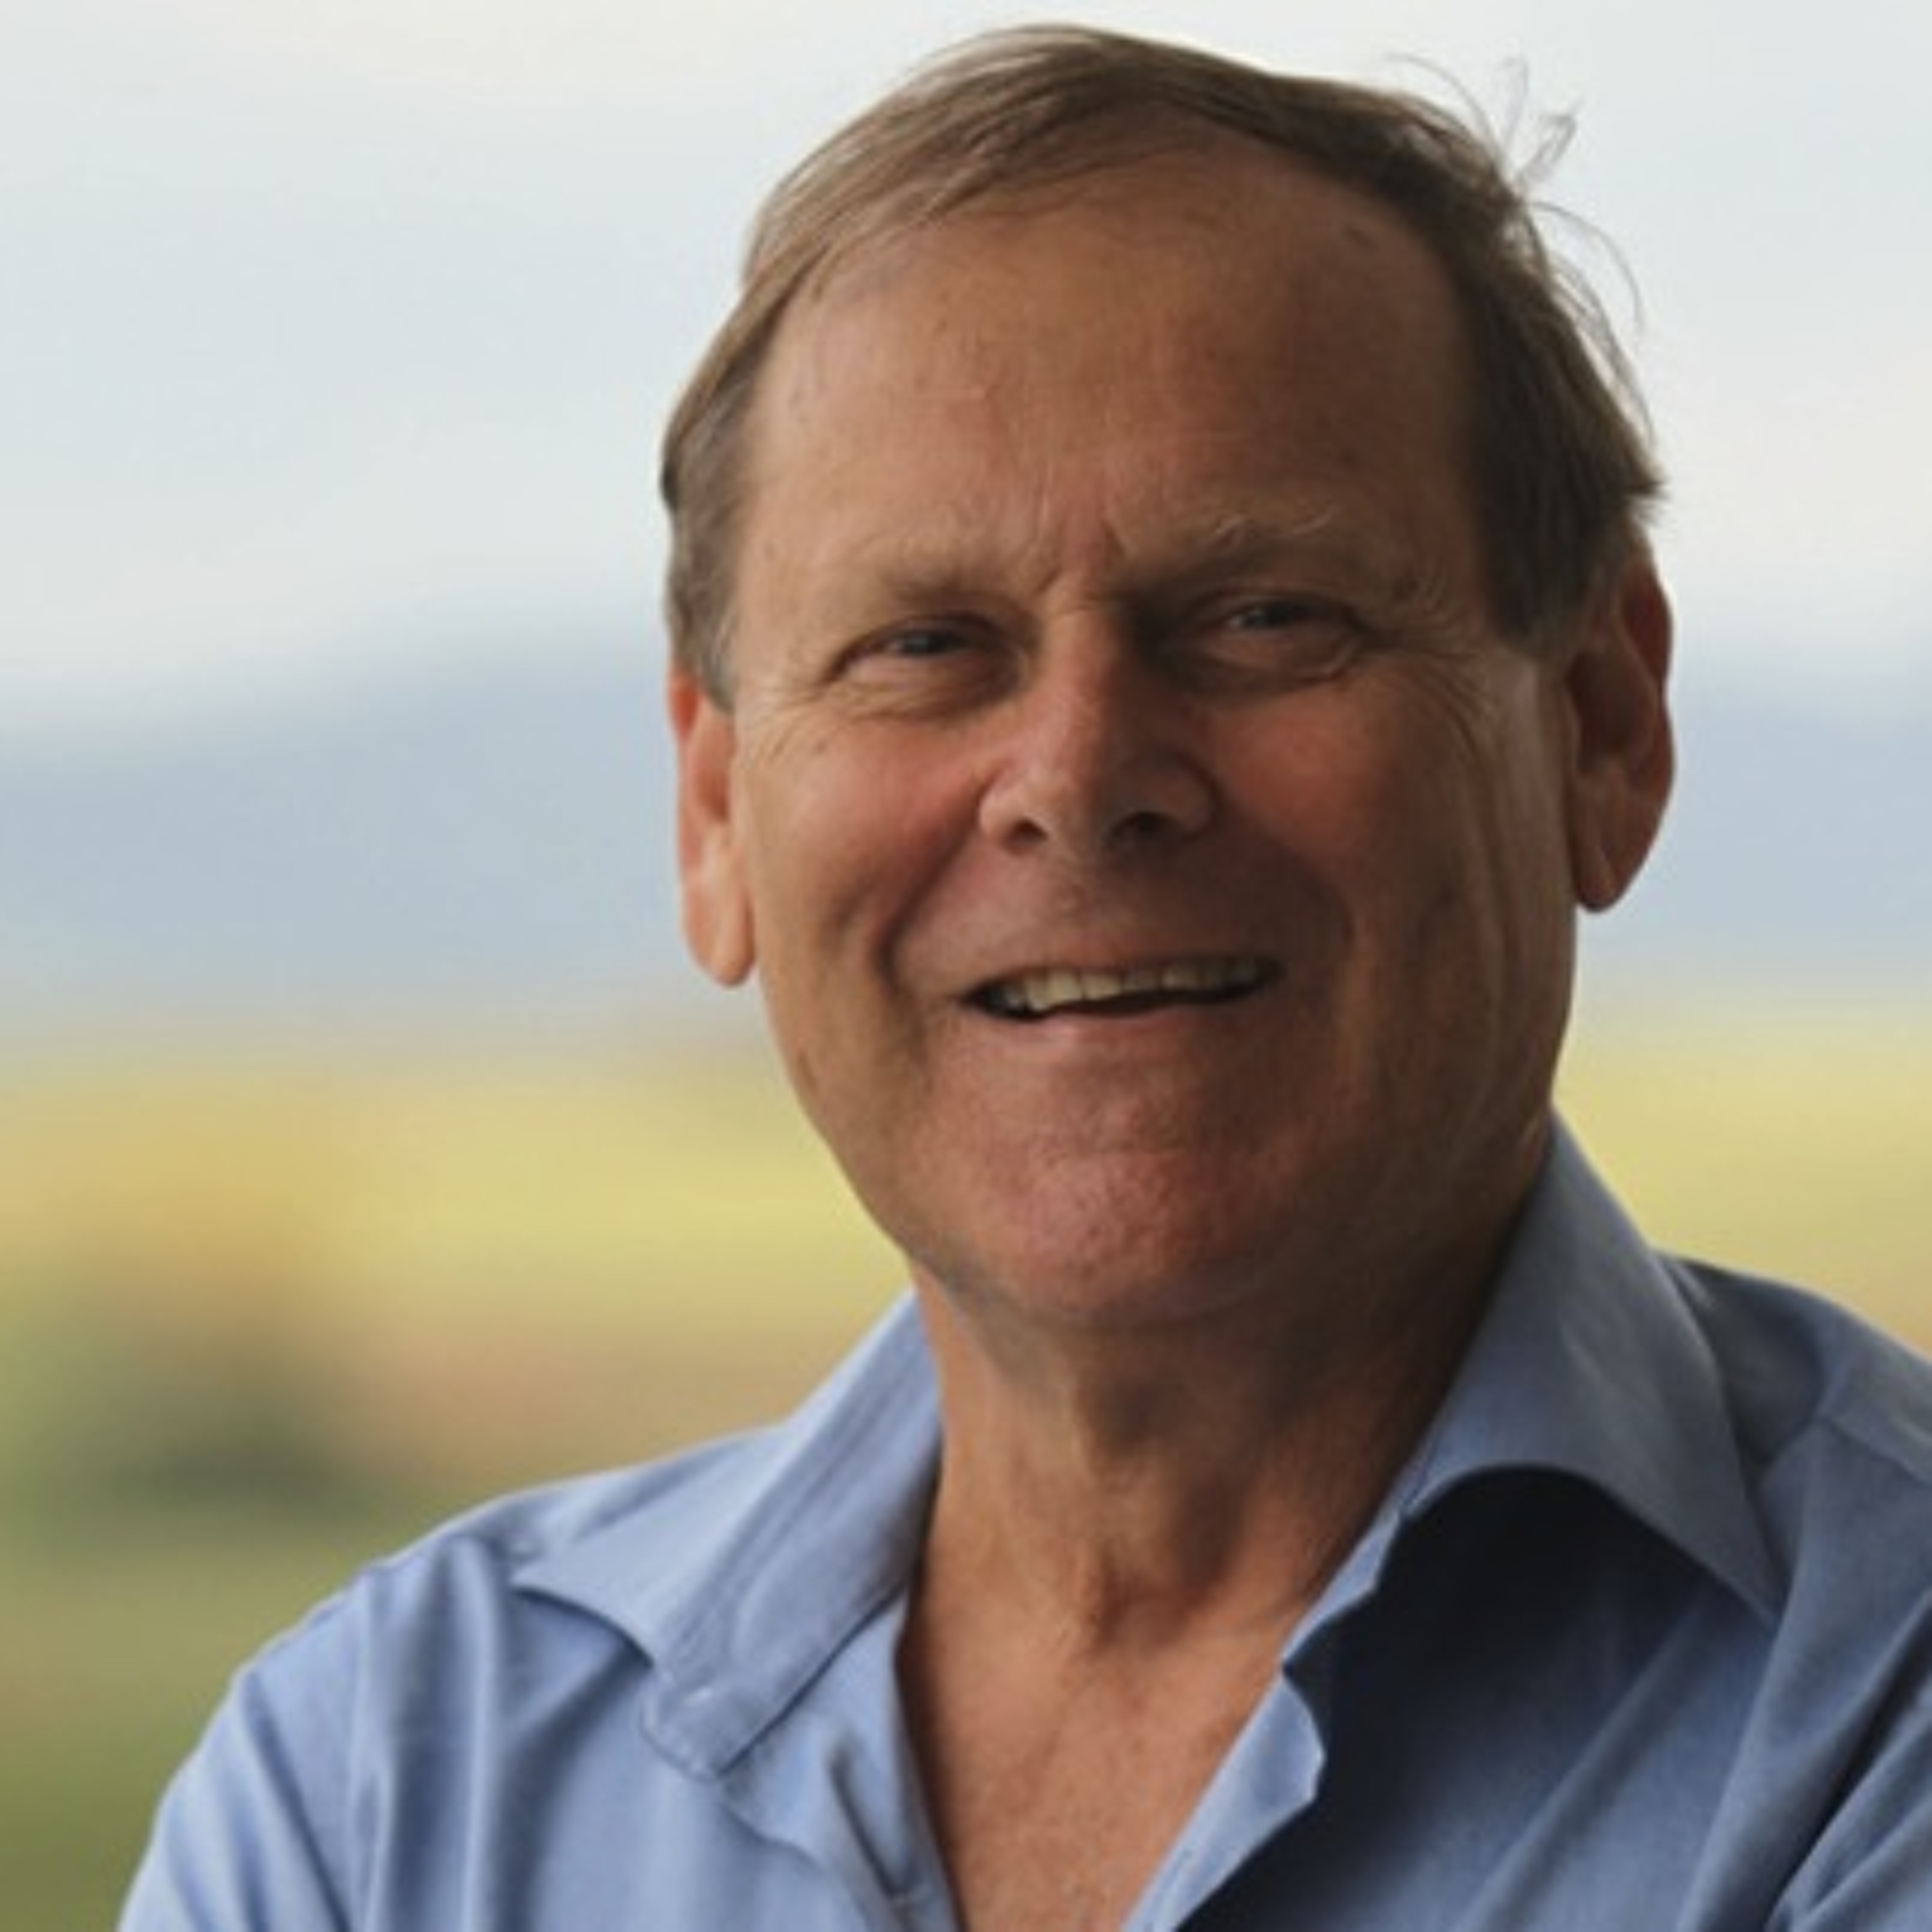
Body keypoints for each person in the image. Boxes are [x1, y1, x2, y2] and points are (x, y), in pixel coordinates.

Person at [122, 26, 1932, 1930]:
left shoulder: (1877, 1701)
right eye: (924, 646)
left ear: (1602, 725)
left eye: (1262, 616)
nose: (1076, 777)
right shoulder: (380, 1783)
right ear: (717, 814)